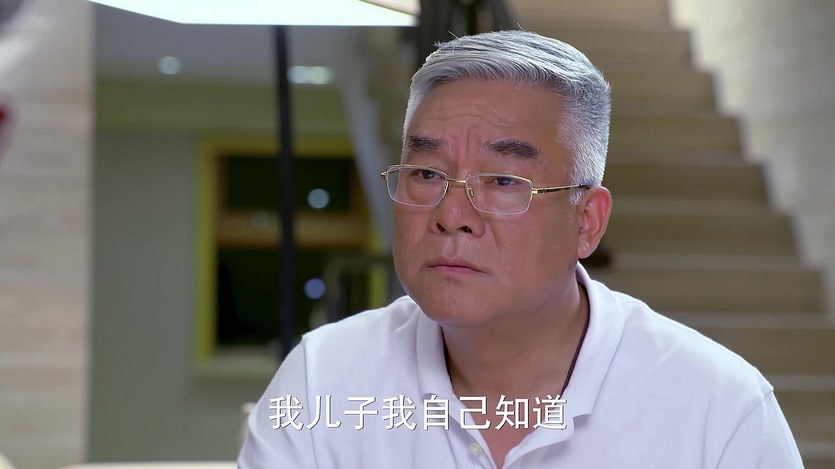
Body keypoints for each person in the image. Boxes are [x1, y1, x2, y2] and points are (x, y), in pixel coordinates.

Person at [238, 30, 803, 468]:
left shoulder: (720, 411)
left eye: (504, 181)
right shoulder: (322, 382)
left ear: (587, 221)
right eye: (427, 173)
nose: (452, 216)